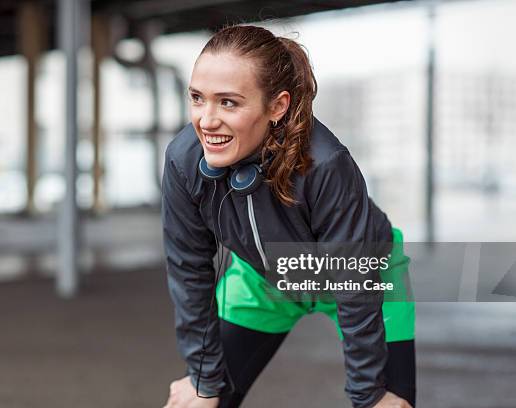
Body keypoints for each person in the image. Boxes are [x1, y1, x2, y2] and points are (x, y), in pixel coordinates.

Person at [161, 25, 416, 408]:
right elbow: (188, 269)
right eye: (198, 98)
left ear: (277, 106)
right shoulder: (184, 161)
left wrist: (368, 395)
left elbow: (354, 281)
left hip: (365, 272)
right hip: (262, 279)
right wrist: (204, 380)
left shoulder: (327, 163)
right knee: (198, 402)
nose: (207, 120)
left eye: (228, 102)